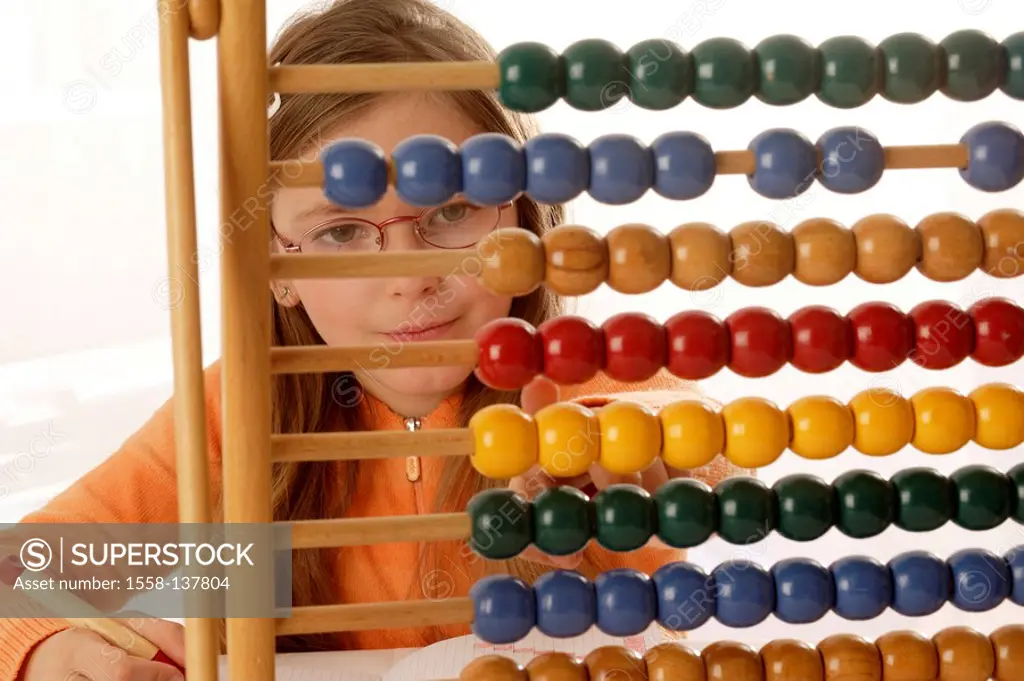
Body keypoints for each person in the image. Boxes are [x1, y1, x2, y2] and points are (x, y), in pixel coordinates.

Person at [3, 1, 742, 679]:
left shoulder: (576, 374)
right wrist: (43, 644)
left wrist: (620, 450)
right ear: (278, 266)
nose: (409, 276)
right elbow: (21, 566)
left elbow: (688, 438)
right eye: (343, 231)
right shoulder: (241, 414)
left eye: (451, 211)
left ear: (523, 214)